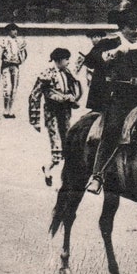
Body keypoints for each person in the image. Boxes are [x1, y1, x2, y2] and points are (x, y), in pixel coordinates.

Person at [85, 2, 137, 195]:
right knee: (113, 128)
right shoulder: (110, 42)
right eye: (131, 27)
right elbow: (91, 60)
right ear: (122, 27)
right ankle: (97, 175)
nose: (136, 30)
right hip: (119, 97)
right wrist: (112, 54)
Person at [29, 48, 82, 186]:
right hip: (52, 112)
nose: (69, 62)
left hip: (64, 112)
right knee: (57, 142)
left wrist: (72, 97)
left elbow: (74, 89)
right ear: (58, 60)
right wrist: (35, 120)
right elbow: (35, 95)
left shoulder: (67, 73)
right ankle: (48, 168)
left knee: (68, 141)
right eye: (66, 59)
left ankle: (60, 175)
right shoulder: (47, 74)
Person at [0, 23, 28, 118]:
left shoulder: (19, 42)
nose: (15, 32)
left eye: (16, 30)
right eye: (13, 30)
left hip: (15, 66)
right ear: (8, 31)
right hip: (6, 66)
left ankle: (10, 109)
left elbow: (23, 58)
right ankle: (6, 110)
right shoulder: (3, 42)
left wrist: (22, 51)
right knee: (7, 88)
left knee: (14, 89)